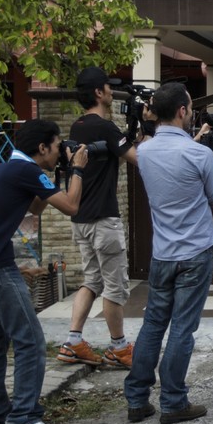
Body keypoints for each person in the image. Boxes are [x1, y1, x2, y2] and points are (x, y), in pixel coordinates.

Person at [0, 119, 89, 424]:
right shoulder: (27, 172)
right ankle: (25, 415)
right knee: (29, 339)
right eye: (57, 146)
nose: (61, 151)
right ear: (42, 148)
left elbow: (35, 206)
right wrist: (78, 170)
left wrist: (54, 178)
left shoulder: (4, 169)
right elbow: (72, 207)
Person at [124, 82, 213, 424]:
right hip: (196, 251)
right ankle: (173, 401)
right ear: (182, 112)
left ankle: (137, 399)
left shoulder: (143, 151)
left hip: (163, 253)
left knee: (153, 324)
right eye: (189, 107)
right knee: (182, 328)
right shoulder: (198, 154)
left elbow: (173, 160)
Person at [58, 66, 138, 369]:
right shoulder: (103, 127)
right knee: (115, 286)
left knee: (91, 281)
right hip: (104, 220)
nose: (111, 91)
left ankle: (73, 341)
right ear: (98, 92)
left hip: (81, 220)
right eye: (108, 86)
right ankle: (119, 348)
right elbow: (136, 157)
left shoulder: (78, 127)